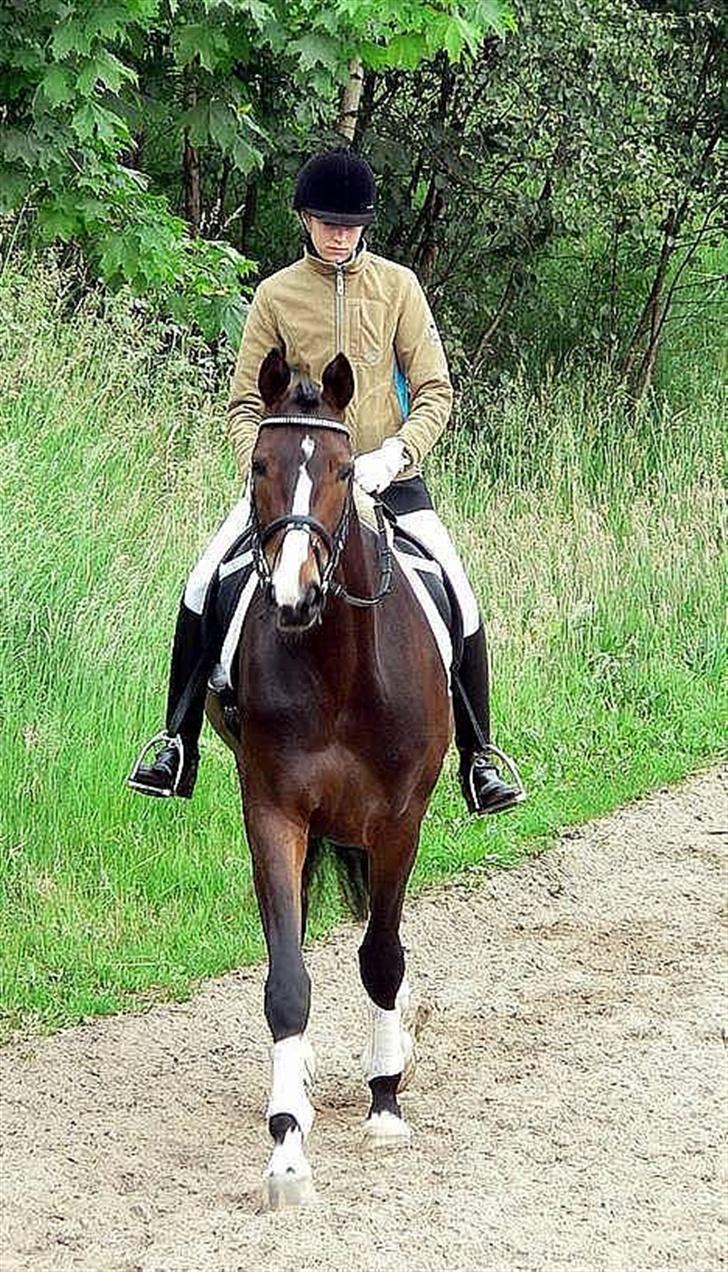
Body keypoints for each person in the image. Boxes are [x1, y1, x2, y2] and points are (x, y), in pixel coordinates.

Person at [128, 147, 525, 815]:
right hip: (294, 492)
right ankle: (177, 742)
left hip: (385, 481)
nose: (340, 235)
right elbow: (244, 404)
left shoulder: (398, 288)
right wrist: (267, 472)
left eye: (351, 225)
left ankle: (479, 755)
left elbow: (435, 390)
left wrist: (396, 453)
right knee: (201, 582)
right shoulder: (276, 295)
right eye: (328, 223)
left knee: (459, 591)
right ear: (305, 220)